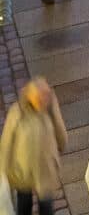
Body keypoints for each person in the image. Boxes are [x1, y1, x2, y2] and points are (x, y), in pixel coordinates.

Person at [0, 76, 66, 215]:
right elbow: (6, 142)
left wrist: (62, 143)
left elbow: (59, 128)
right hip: (23, 170)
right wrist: (3, 171)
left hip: (45, 168)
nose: (43, 101)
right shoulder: (17, 112)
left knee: (46, 206)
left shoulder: (49, 108)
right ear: (30, 96)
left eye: (45, 97)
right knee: (24, 204)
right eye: (39, 98)